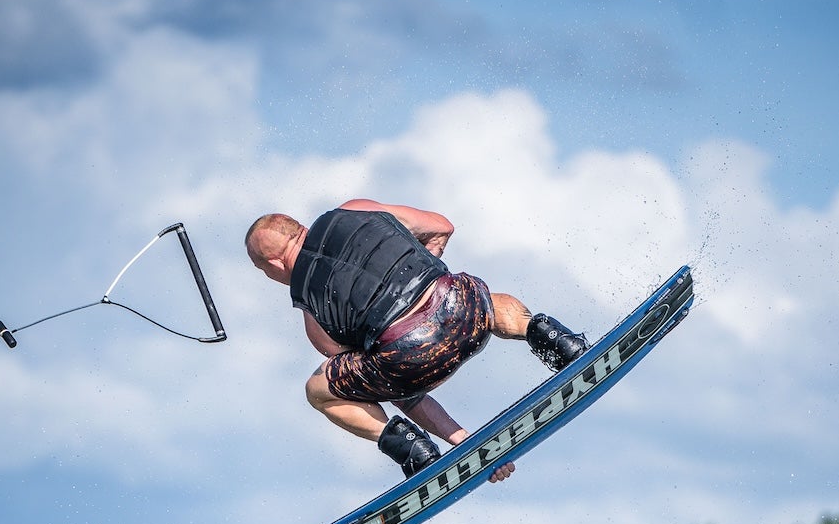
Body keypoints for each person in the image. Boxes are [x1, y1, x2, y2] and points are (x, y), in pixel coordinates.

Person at [244, 199, 588, 478]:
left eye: (263, 271)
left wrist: (461, 440)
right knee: (478, 295)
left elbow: (396, 392)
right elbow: (441, 225)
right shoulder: (355, 209)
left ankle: (412, 450)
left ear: (274, 263)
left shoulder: (312, 316)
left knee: (318, 391)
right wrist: (426, 266)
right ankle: (559, 343)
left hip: (410, 358)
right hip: (463, 312)